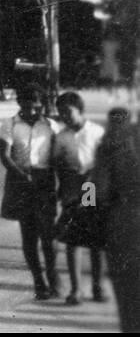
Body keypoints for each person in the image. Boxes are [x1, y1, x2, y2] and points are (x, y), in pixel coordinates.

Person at [0, 85, 60, 300]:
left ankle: (53, 278)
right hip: (19, 181)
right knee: (29, 235)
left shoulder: (51, 125)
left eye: (36, 107)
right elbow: (5, 156)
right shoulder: (9, 124)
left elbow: (60, 156)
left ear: (42, 105)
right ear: (19, 104)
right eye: (27, 107)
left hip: (44, 182)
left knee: (49, 236)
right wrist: (23, 176)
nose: (32, 112)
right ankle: (39, 282)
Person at [50, 91, 107, 306]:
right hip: (71, 190)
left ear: (80, 110)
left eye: (68, 111)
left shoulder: (96, 132)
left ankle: (97, 286)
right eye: (61, 113)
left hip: (92, 189)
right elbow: (57, 163)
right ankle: (76, 290)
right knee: (73, 240)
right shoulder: (62, 136)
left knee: (94, 240)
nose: (65, 116)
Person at [96, 107, 140, 331]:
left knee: (129, 304)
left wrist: (84, 204)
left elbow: (97, 189)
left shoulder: (113, 140)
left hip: (124, 227)